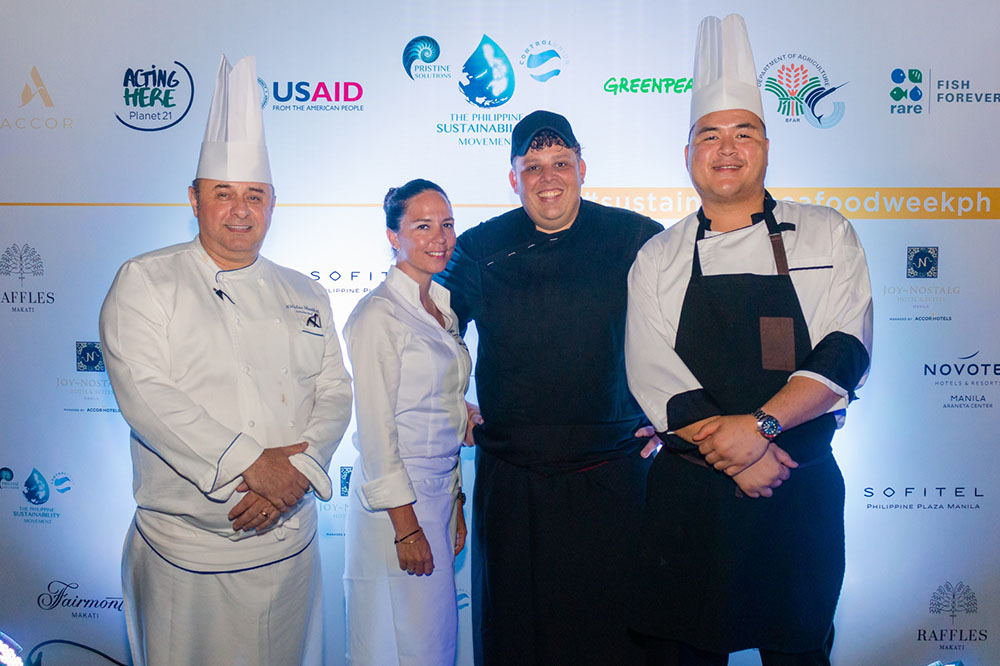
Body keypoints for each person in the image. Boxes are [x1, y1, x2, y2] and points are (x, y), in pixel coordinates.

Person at [625, 15, 873, 665]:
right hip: (691, 506)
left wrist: (760, 427)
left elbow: (847, 347)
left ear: (766, 145)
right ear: (688, 155)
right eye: (710, 135)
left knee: (798, 649)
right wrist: (737, 450)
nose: (727, 148)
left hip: (797, 492)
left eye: (744, 132)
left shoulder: (827, 234)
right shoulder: (659, 256)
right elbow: (654, 373)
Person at [99, 55, 352, 666]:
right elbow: (148, 396)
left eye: (254, 196)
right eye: (223, 195)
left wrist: (297, 473)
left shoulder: (305, 291)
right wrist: (251, 466)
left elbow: (334, 390)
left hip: (291, 541)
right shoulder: (145, 281)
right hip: (186, 554)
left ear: (272, 203)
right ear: (194, 198)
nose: (240, 211)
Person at [436, 110, 663, 665]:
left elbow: (687, 331)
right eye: (532, 167)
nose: (548, 178)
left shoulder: (637, 239)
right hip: (515, 476)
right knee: (517, 635)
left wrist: (674, 412)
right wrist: (448, 402)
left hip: (613, 469)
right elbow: (429, 332)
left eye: (560, 163)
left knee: (618, 634)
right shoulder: (480, 248)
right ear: (513, 178)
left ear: (582, 167)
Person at [343, 179, 472, 666]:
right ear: (394, 236)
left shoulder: (440, 306)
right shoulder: (378, 315)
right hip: (398, 504)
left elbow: (443, 408)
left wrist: (456, 499)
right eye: (422, 226)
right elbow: (377, 435)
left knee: (432, 646)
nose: (439, 237)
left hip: (438, 494)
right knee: (397, 645)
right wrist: (406, 529)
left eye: (446, 224)